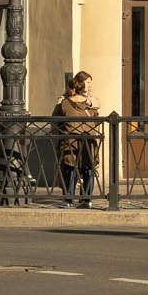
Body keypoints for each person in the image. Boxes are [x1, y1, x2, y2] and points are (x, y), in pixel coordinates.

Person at [54, 72, 100, 209]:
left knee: (70, 169)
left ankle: (68, 199)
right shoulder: (90, 104)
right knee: (88, 168)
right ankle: (86, 199)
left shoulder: (65, 103)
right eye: (88, 82)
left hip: (70, 141)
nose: (90, 85)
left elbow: (55, 118)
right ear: (82, 84)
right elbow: (96, 118)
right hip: (87, 140)